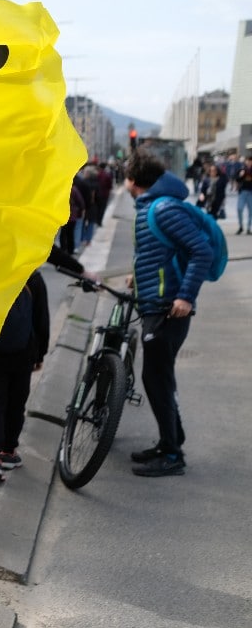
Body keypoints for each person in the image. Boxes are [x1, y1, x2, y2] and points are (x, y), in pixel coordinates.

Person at [125, 151, 214, 477]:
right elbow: (157, 254)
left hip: (169, 309)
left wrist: (185, 297)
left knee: (156, 379)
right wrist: (137, 276)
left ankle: (173, 455)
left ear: (133, 180)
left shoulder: (163, 209)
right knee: (158, 377)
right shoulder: (151, 207)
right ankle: (170, 441)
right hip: (155, 305)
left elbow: (201, 250)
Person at [0, 271, 50, 483]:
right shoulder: (32, 276)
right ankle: (8, 451)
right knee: (16, 403)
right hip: (23, 352)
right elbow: (42, 319)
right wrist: (40, 354)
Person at [236, 155, 252, 234]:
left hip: (251, 192)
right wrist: (240, 175)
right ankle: (241, 226)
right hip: (243, 192)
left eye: (250, 161)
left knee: (251, 210)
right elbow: (237, 179)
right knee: (239, 208)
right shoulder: (242, 169)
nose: (249, 162)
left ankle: (248, 228)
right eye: (247, 161)